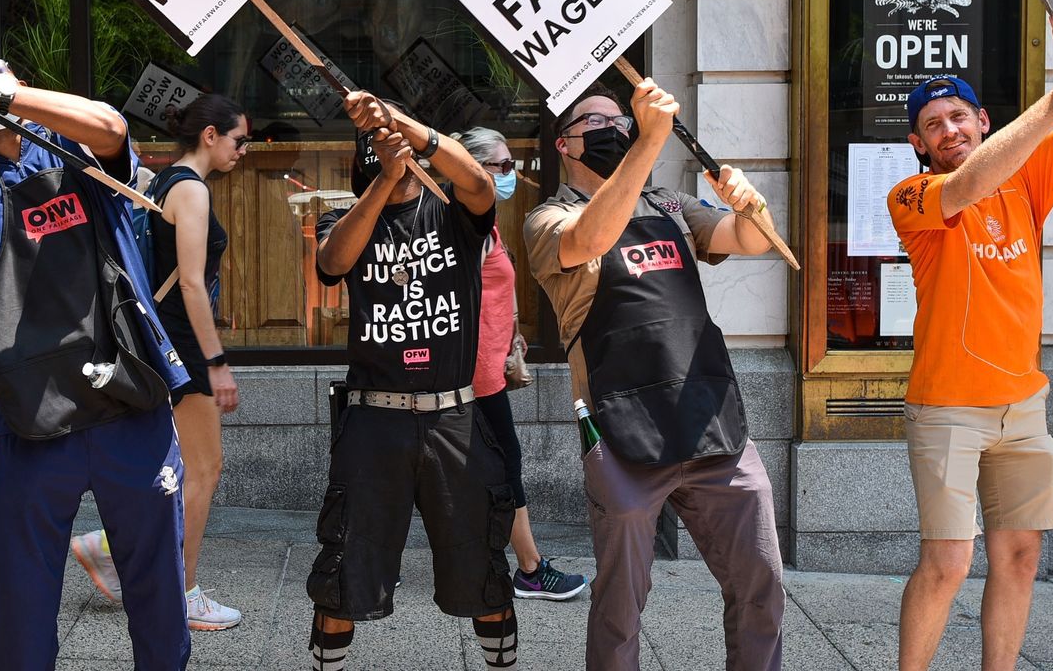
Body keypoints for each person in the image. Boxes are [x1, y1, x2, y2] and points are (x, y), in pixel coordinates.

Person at [0, 54, 191, 671]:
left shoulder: (84, 157)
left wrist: (4, 94)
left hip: (129, 401)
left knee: (157, 591)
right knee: (19, 607)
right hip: (28, 419)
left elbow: (113, 125)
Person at [524, 79, 785, 671]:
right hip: (621, 432)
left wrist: (751, 201)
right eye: (599, 124)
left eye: (623, 121)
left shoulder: (670, 204)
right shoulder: (547, 219)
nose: (616, 130)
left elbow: (748, 240)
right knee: (621, 603)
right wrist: (647, 142)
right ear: (564, 145)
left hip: (712, 419)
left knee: (760, 583)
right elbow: (592, 236)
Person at [887, 9, 1053, 671]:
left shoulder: (1031, 175)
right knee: (948, 562)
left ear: (983, 120)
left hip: (1024, 407)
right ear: (919, 143)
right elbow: (969, 185)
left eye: (959, 116)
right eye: (934, 125)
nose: (949, 129)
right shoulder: (914, 195)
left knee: (1020, 557)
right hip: (949, 407)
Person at [307, 92, 517, 671]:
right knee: (345, 566)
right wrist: (385, 181)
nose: (386, 149)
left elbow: (478, 184)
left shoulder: (452, 214)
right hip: (376, 418)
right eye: (376, 145)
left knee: (483, 567)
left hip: (455, 416)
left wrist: (413, 135)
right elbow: (332, 263)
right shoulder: (346, 218)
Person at [73, 93, 250, 631]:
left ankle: (109, 547)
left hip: (159, 341)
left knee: (175, 468)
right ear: (211, 135)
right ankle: (183, 592)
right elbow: (192, 283)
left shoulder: (165, 181)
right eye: (240, 139)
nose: (245, 149)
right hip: (183, 346)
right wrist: (215, 360)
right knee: (203, 469)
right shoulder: (191, 190)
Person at [455, 126, 588, 602]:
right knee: (503, 464)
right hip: (469, 372)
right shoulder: (463, 225)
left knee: (466, 469)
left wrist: (511, 332)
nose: (512, 175)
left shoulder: (484, 223)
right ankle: (530, 569)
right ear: (474, 170)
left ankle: (380, 559)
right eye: (503, 167)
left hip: (487, 364)